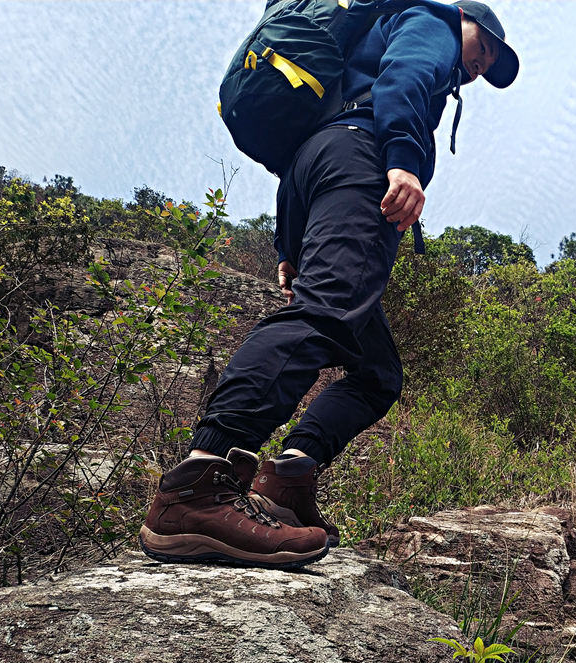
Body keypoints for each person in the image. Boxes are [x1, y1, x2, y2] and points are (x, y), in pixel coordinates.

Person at [139, 0, 519, 569]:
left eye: (489, 66)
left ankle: (290, 477)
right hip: (362, 159)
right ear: (463, 16)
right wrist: (405, 160)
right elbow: (407, 77)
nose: (480, 67)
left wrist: (288, 247)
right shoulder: (432, 21)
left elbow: (305, 154)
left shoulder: (362, 40)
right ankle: (196, 484)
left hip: (317, 165)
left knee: (378, 373)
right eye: (483, 48)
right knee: (323, 316)